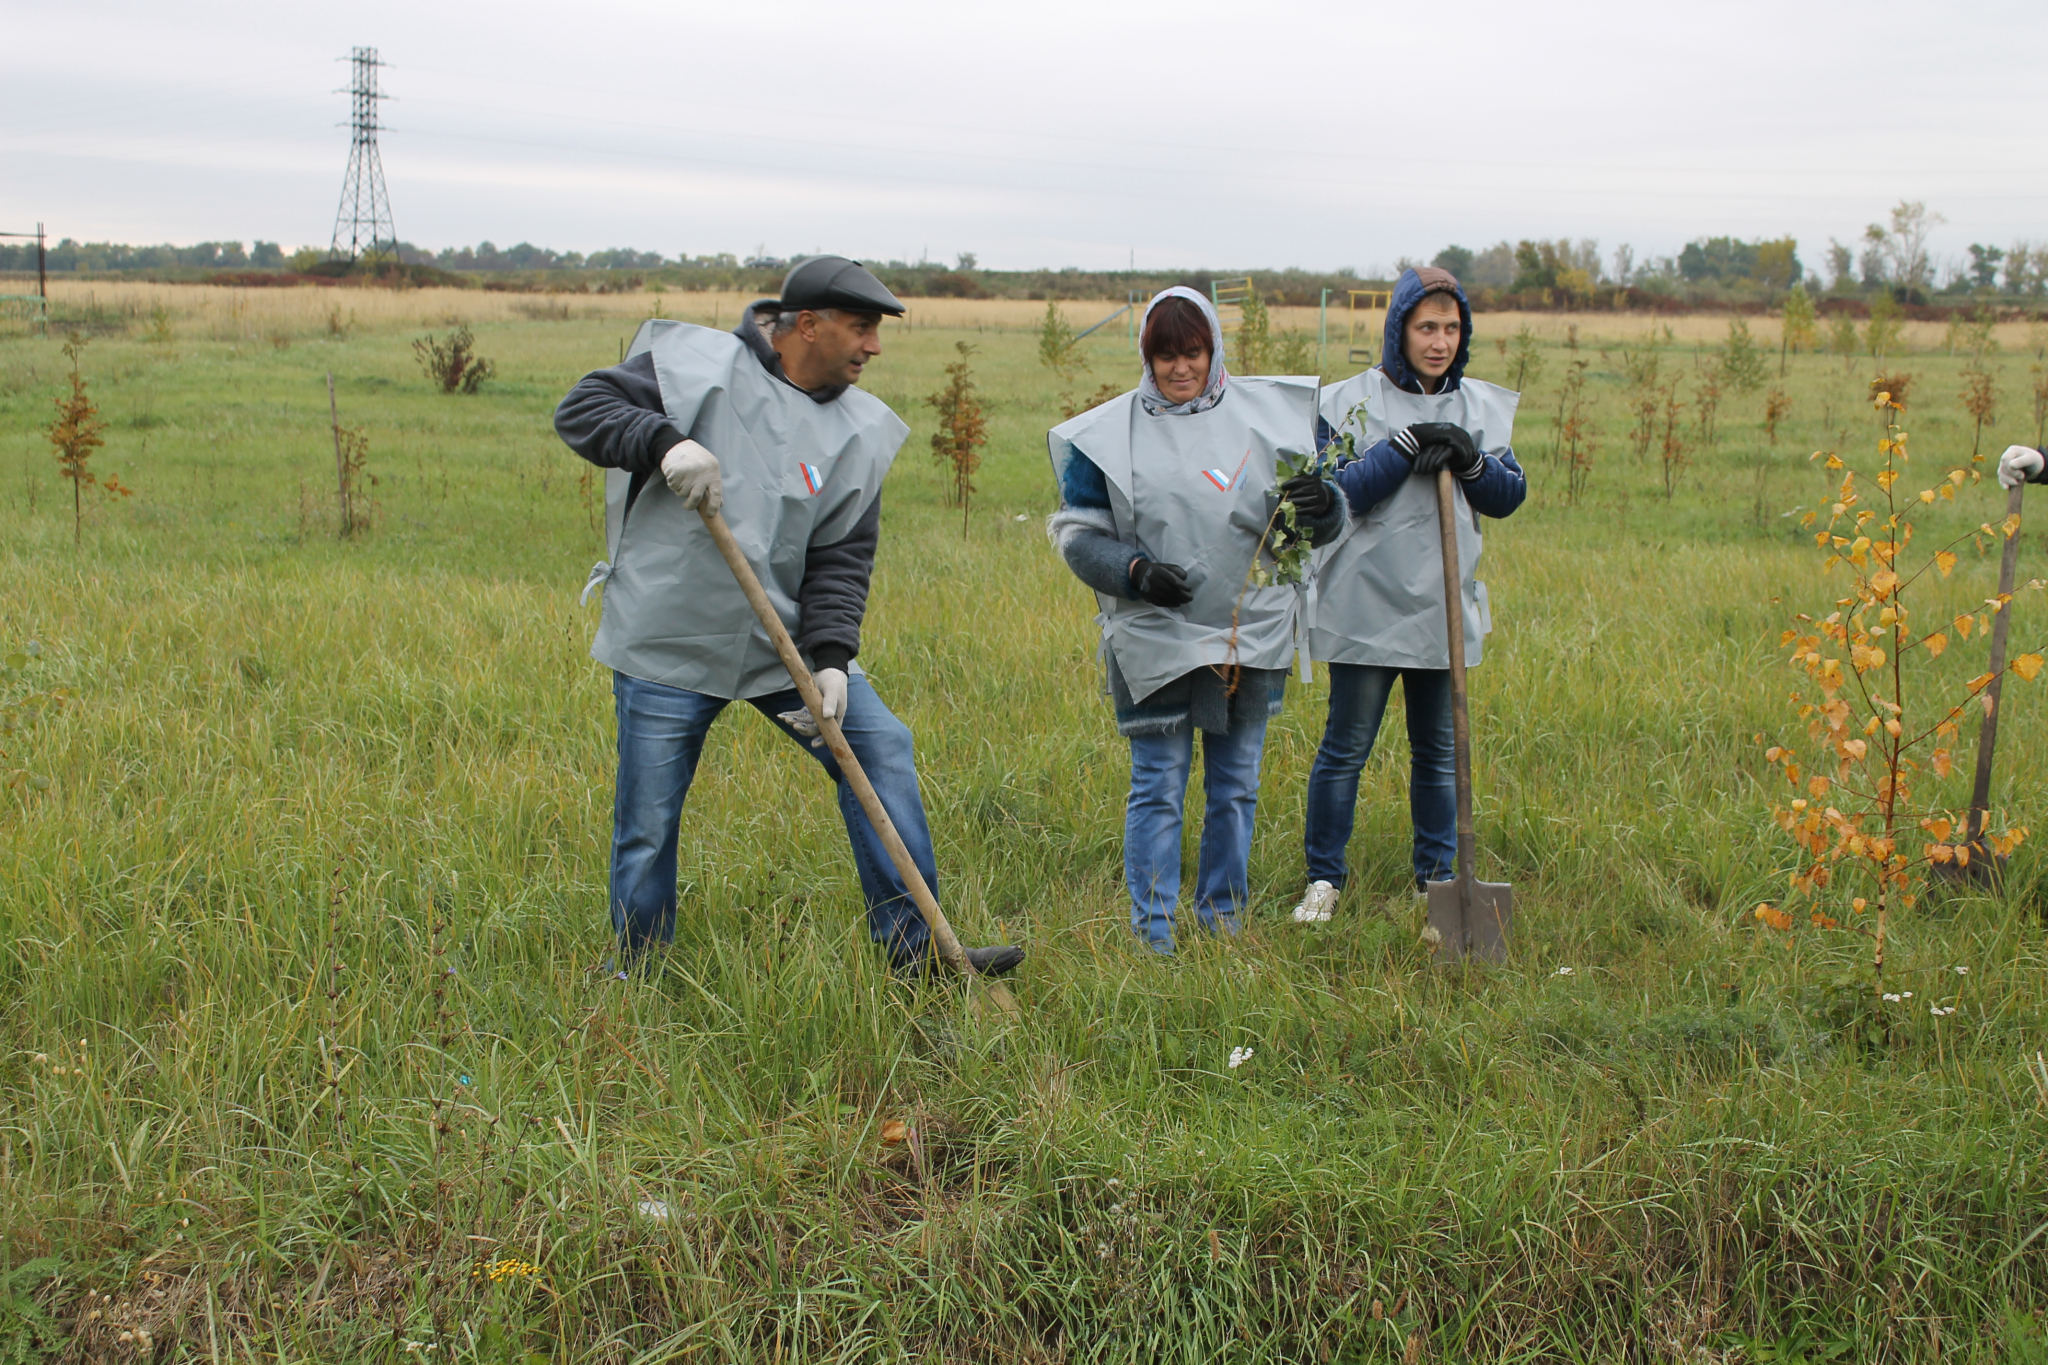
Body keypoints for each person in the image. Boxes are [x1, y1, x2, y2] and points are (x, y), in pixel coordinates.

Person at [552, 255, 1023, 981]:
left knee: (881, 747)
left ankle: (918, 950)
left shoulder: (860, 433)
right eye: (861, 328)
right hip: (671, 639)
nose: (873, 347)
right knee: (648, 820)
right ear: (807, 325)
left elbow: (841, 558)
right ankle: (634, 972)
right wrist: (663, 442)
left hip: (785, 648)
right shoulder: (694, 367)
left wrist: (832, 657)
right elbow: (581, 410)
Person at [1047, 287, 1342, 952]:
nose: (1180, 368)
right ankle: (1151, 935)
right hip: (1154, 640)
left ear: (1215, 350)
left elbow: (1318, 522)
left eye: (1193, 352)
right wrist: (1134, 572)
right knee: (1158, 785)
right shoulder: (1108, 436)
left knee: (1236, 785)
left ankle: (1221, 922)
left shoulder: (1272, 420)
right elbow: (1076, 535)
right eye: (1165, 355)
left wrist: (1326, 504)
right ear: (1145, 357)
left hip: (1248, 635)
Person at [1290, 266, 1528, 924]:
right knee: (1346, 746)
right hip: (1365, 600)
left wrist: (1471, 460)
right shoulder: (1347, 402)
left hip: (1441, 606)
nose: (1440, 341)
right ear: (1399, 330)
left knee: (1438, 750)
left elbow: (1509, 496)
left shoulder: (1478, 407)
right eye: (1427, 327)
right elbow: (1336, 495)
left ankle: (1438, 880)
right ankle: (1323, 879)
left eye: (1452, 328)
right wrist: (1402, 447)